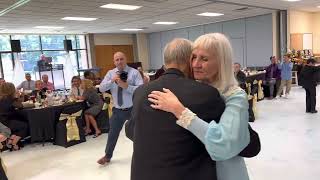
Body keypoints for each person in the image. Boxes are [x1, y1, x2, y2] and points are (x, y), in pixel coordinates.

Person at [148, 33, 252, 180]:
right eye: (194, 57)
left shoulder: (235, 96)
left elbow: (223, 146)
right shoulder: (191, 90)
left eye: (204, 59)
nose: (196, 64)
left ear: (221, 62)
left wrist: (180, 111)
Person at [126, 38, 226, 180]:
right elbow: (230, 139)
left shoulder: (141, 92)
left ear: (166, 62)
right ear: (189, 60)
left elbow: (131, 131)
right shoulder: (205, 93)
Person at [97, 51, 143, 165]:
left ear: (125, 59)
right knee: (112, 133)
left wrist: (127, 86)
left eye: (121, 59)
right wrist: (112, 80)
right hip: (118, 110)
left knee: (137, 133)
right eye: (117, 60)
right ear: (114, 62)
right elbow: (101, 88)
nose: (119, 61)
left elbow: (141, 90)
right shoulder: (110, 73)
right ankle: (107, 156)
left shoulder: (134, 73)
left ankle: (143, 153)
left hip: (133, 109)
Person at [0, 82, 28, 151]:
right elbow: (20, 106)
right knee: (25, 125)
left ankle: (10, 141)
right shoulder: (10, 98)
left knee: (19, 123)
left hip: (2, 120)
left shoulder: (2, 98)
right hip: (6, 121)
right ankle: (14, 143)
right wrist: (19, 96)